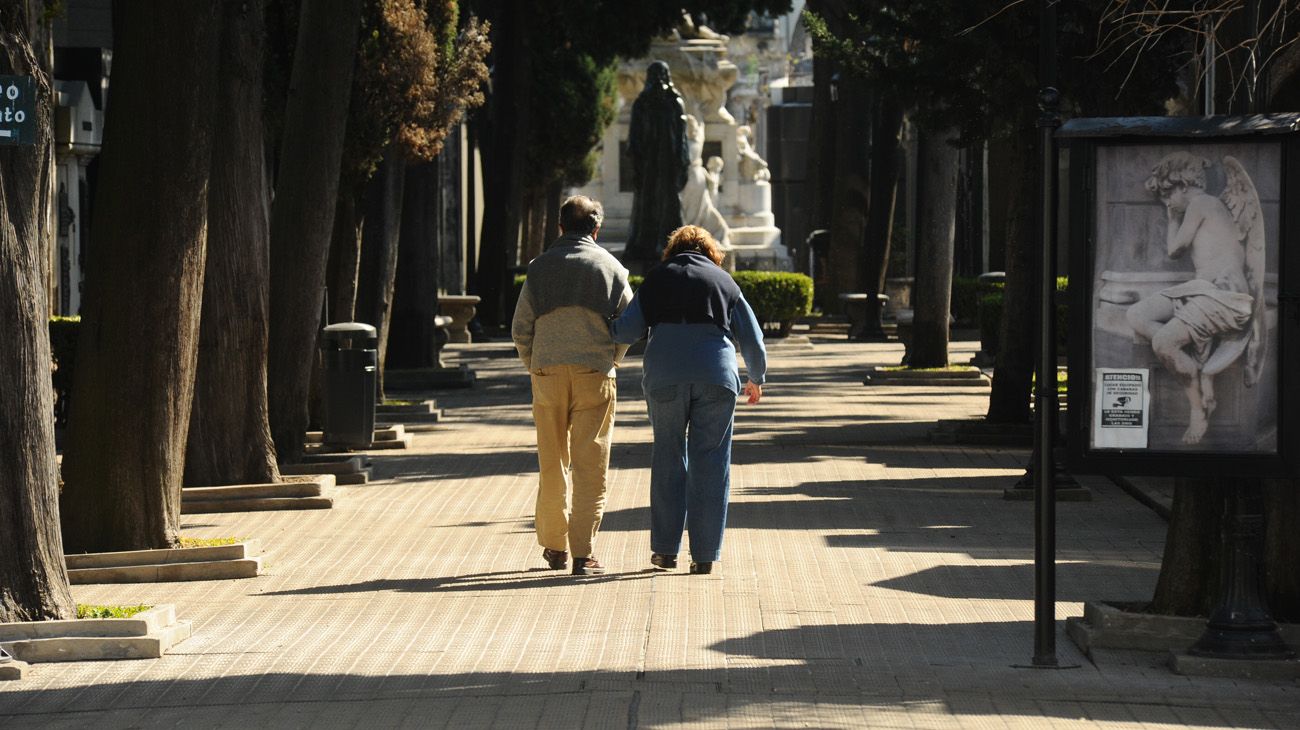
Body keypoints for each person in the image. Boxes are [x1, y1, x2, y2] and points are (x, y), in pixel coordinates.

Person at [611, 225, 767, 574]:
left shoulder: (658, 277)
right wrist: (756, 378)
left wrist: (606, 326)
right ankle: (705, 554)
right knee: (711, 462)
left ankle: (665, 551)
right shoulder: (725, 282)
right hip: (717, 376)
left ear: (673, 250)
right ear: (711, 252)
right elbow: (753, 338)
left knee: (668, 455)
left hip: (665, 375)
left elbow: (627, 330)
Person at [513, 195, 632, 575]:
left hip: (547, 371)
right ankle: (583, 553)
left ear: (560, 227)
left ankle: (554, 547)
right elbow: (629, 324)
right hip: (593, 373)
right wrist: (612, 357)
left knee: (552, 462)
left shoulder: (539, 268)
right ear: (596, 230)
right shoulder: (612, 267)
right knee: (590, 463)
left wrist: (534, 363)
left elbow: (520, 327)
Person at [1124, 152, 1261, 445]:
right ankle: (1198, 372)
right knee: (1135, 314)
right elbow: (1176, 251)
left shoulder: (1201, 203)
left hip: (1223, 296)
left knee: (1163, 342)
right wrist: (1173, 214)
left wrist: (1172, 217)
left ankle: (1198, 407)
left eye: (1168, 194)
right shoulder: (1206, 206)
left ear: (1183, 184)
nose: (1168, 202)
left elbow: (1175, 248)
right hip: (1203, 289)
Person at [623, 61, 691, 271]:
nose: (659, 79)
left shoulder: (674, 101)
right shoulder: (642, 103)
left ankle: (673, 245)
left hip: (668, 164)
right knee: (647, 205)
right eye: (656, 74)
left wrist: (682, 159)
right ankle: (645, 246)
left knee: (670, 204)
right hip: (649, 163)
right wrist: (635, 160)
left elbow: (682, 136)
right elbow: (634, 137)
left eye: (663, 74)